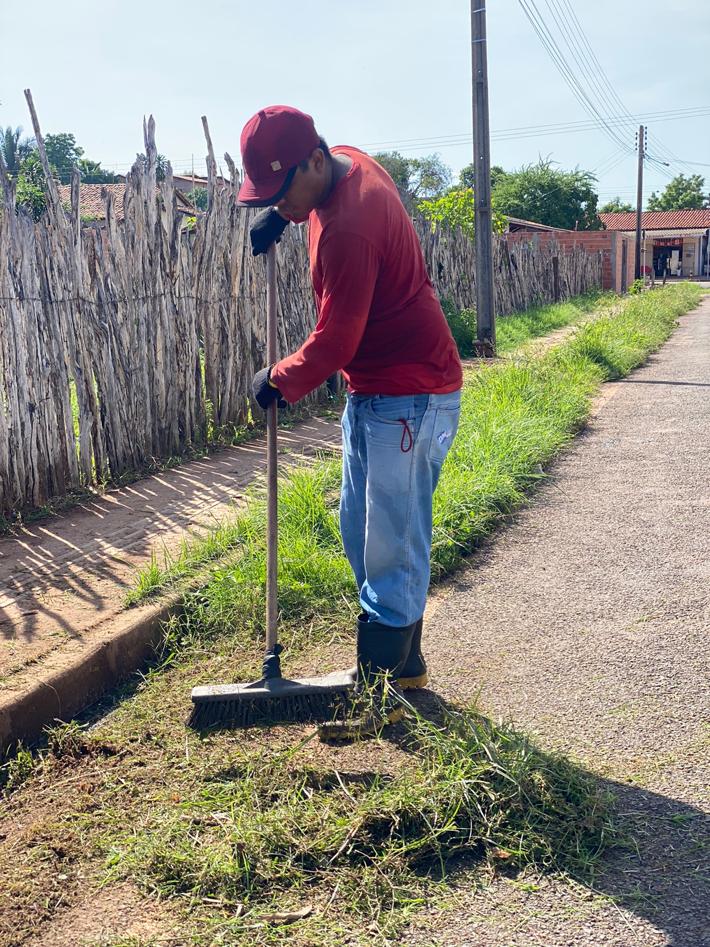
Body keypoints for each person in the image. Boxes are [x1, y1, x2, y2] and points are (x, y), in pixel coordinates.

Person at [237, 105, 462, 739]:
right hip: (377, 391)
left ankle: (380, 694)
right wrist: (281, 217)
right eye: (268, 194)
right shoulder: (345, 162)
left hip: (410, 393)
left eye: (283, 190)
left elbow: (335, 342)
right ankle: (406, 661)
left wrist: (279, 379)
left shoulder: (350, 228)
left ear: (313, 160)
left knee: (390, 539)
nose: (281, 202)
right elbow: (307, 196)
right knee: (361, 528)